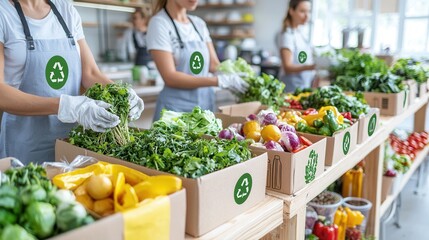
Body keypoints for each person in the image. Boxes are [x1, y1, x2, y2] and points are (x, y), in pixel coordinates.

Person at [0, 0, 144, 164]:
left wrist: (122, 94)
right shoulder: (3, 13)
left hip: (73, 142)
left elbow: (90, 73)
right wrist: (67, 106)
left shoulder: (64, 9)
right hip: (26, 144)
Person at [147, 0, 249, 121]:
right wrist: (218, 80)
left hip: (204, 109)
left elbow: (213, 64)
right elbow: (170, 77)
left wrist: (232, 75)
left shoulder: (198, 24)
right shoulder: (159, 23)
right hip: (175, 112)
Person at [279, 0, 316, 93]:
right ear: (291, 11)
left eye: (309, 11)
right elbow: (287, 67)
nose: (307, 15)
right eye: (302, 11)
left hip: (304, 85)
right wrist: (312, 67)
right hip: (291, 89)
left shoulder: (300, 33)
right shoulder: (287, 35)